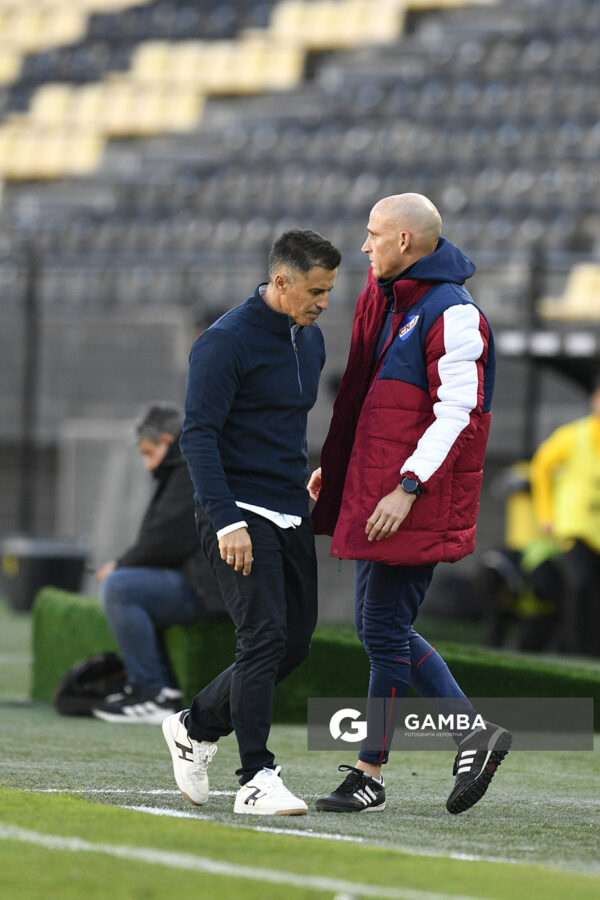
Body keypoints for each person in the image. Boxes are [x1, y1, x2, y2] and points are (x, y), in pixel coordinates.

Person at [309, 193, 510, 815]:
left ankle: (452, 739)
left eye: (373, 233)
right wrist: (340, 472)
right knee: (381, 629)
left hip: (412, 495)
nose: (363, 246)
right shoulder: (395, 301)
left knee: (383, 628)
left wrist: (407, 486)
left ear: (404, 242)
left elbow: (457, 414)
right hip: (387, 490)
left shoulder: (452, 312)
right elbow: (372, 406)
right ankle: (380, 769)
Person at [162, 229, 341, 815]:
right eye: (315, 290)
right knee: (262, 636)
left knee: (292, 645)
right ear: (281, 281)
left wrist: (310, 475)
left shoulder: (310, 342)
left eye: (330, 291)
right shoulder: (223, 342)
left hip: (291, 507)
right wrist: (226, 521)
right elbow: (199, 436)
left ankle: (193, 726)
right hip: (237, 511)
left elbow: (285, 427)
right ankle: (256, 777)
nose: (323, 302)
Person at [92, 403, 224, 724]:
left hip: (210, 589)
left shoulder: (188, 471)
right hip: (205, 583)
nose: (146, 462)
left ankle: (151, 692)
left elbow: (164, 540)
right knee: (126, 584)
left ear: (166, 440)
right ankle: (161, 690)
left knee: (120, 588)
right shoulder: (182, 469)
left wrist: (119, 565)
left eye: (147, 451)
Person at [529, 375, 600, 656]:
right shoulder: (572, 435)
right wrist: (546, 514)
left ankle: (590, 652)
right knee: (580, 584)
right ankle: (575, 650)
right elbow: (541, 467)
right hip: (573, 528)